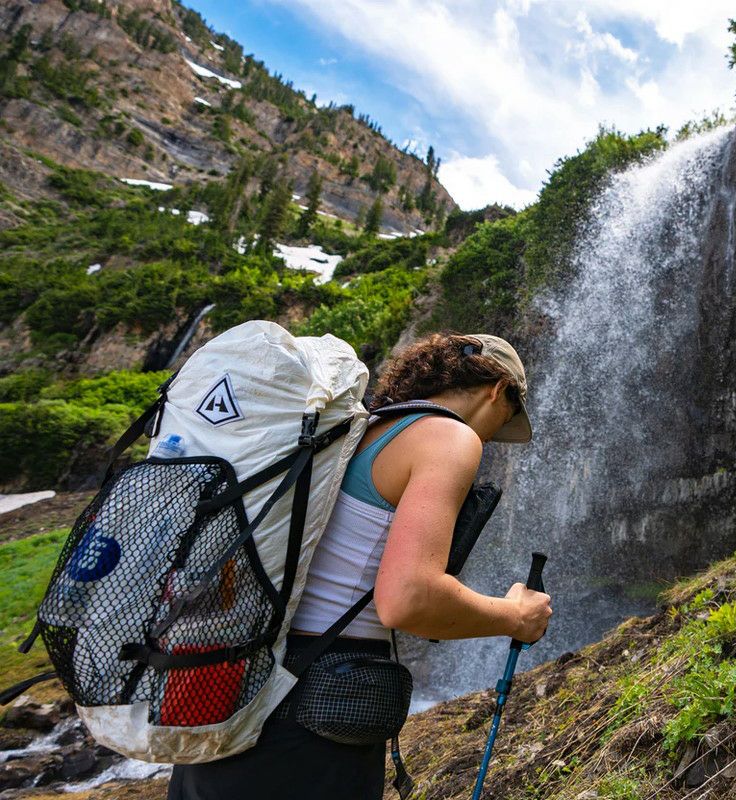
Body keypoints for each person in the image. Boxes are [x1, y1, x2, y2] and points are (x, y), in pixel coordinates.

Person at [168, 332, 553, 800]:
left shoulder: (351, 432)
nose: (492, 438)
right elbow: (409, 600)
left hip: (225, 691)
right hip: (311, 716)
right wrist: (516, 615)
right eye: (506, 419)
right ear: (498, 389)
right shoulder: (448, 436)